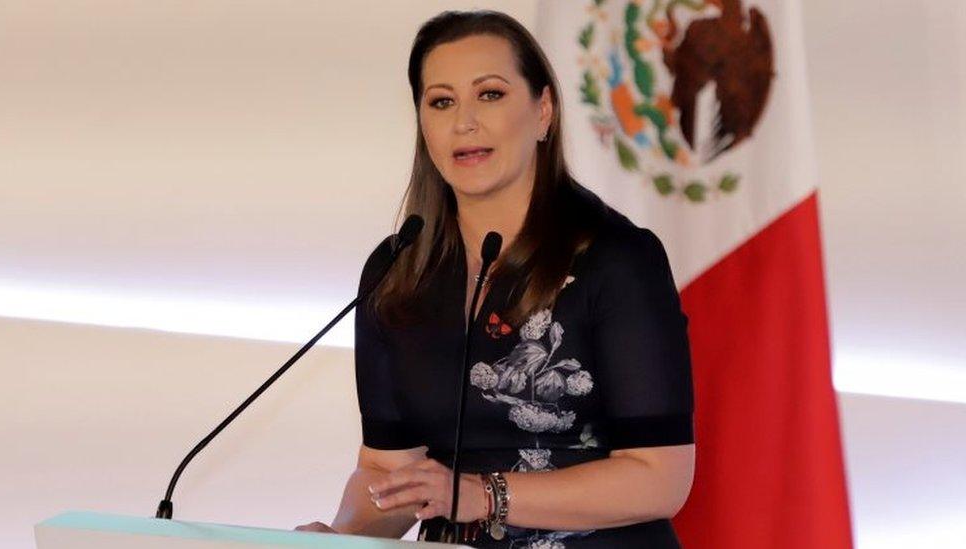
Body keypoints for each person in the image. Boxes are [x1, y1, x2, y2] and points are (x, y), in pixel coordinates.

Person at [296, 10, 695, 548]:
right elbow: (389, 473)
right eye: (441, 102)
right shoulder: (398, 272)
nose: (464, 122)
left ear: (543, 111)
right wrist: (341, 538)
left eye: (490, 95)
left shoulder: (618, 260)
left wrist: (485, 494)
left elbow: (659, 478)